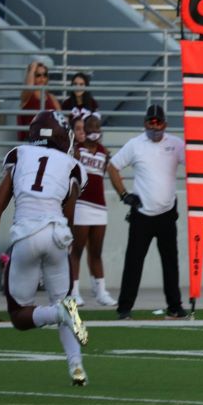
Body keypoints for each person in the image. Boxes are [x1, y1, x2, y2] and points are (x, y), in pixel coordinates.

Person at [0, 110, 90, 386]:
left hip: (26, 236)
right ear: (61, 136)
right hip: (56, 234)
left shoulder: (20, 155)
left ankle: (58, 315)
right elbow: (70, 215)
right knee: (63, 302)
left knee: (19, 315)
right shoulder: (71, 165)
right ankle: (76, 366)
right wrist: (67, 250)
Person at [108, 105, 188, 320]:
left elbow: (194, 164)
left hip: (167, 212)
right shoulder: (135, 145)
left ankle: (174, 305)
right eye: (150, 123)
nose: (154, 127)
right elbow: (112, 166)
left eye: (158, 123)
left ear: (165, 124)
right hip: (141, 213)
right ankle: (124, 308)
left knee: (170, 262)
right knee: (133, 262)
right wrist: (124, 195)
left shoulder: (176, 143)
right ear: (145, 123)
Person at [71, 114, 116, 308]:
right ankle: (73, 292)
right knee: (77, 250)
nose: (94, 131)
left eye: (97, 127)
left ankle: (100, 291)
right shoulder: (76, 151)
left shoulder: (104, 153)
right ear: (84, 130)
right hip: (81, 204)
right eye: (90, 127)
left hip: (99, 207)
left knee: (96, 252)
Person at [18, 61, 61, 141]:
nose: (42, 78)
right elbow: (29, 87)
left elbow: (61, 118)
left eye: (44, 75)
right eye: (38, 75)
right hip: (32, 140)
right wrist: (33, 68)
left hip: (51, 139)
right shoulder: (27, 95)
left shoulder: (51, 97)